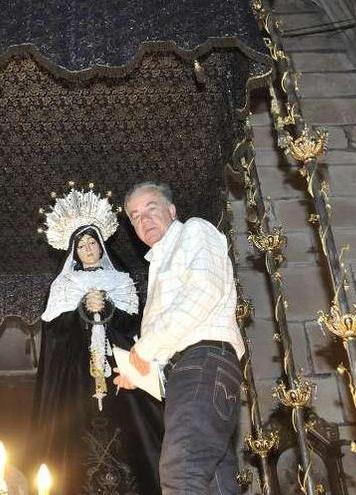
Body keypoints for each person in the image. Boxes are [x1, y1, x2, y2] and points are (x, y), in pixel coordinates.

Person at [118, 181, 245, 495]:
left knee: (181, 469)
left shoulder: (194, 231)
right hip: (195, 371)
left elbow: (204, 291)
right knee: (215, 482)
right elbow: (172, 330)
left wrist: (144, 348)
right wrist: (136, 371)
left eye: (151, 208)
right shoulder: (159, 265)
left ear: (171, 210)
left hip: (202, 363)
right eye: (135, 216)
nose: (144, 219)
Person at [34, 188, 164, 495]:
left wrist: (108, 308)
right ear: (74, 251)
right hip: (76, 379)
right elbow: (54, 332)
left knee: (134, 437)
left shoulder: (121, 280)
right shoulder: (64, 285)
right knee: (73, 441)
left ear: (102, 246)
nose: (89, 248)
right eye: (82, 244)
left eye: (93, 242)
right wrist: (81, 311)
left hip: (121, 375)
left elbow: (137, 326)